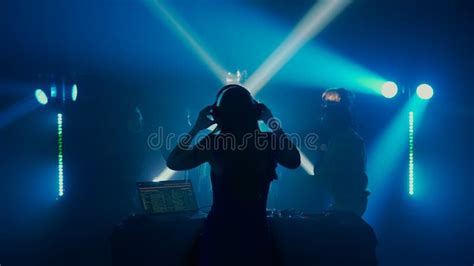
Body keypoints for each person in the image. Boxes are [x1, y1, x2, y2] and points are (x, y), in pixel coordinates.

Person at [166, 84, 300, 266]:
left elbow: (173, 161)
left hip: (220, 234)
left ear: (218, 115)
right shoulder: (268, 141)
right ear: (256, 112)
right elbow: (294, 161)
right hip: (255, 233)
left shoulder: (214, 143)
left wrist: (197, 127)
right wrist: (273, 123)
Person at [313, 88, 370, 217]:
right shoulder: (344, 138)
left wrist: (321, 149)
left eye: (326, 113)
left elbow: (322, 174)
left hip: (347, 206)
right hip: (347, 204)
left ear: (336, 116)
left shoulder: (344, 140)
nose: (323, 118)